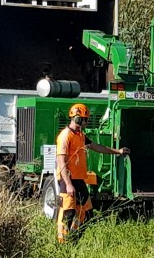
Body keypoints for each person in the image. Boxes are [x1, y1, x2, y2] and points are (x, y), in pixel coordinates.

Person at [56, 103, 130, 242]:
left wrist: (117, 152)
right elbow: (61, 161)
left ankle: (74, 239)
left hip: (79, 180)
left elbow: (97, 147)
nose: (86, 122)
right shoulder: (65, 136)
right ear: (78, 119)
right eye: (85, 119)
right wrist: (68, 184)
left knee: (87, 213)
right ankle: (63, 243)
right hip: (69, 181)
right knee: (68, 212)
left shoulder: (80, 135)